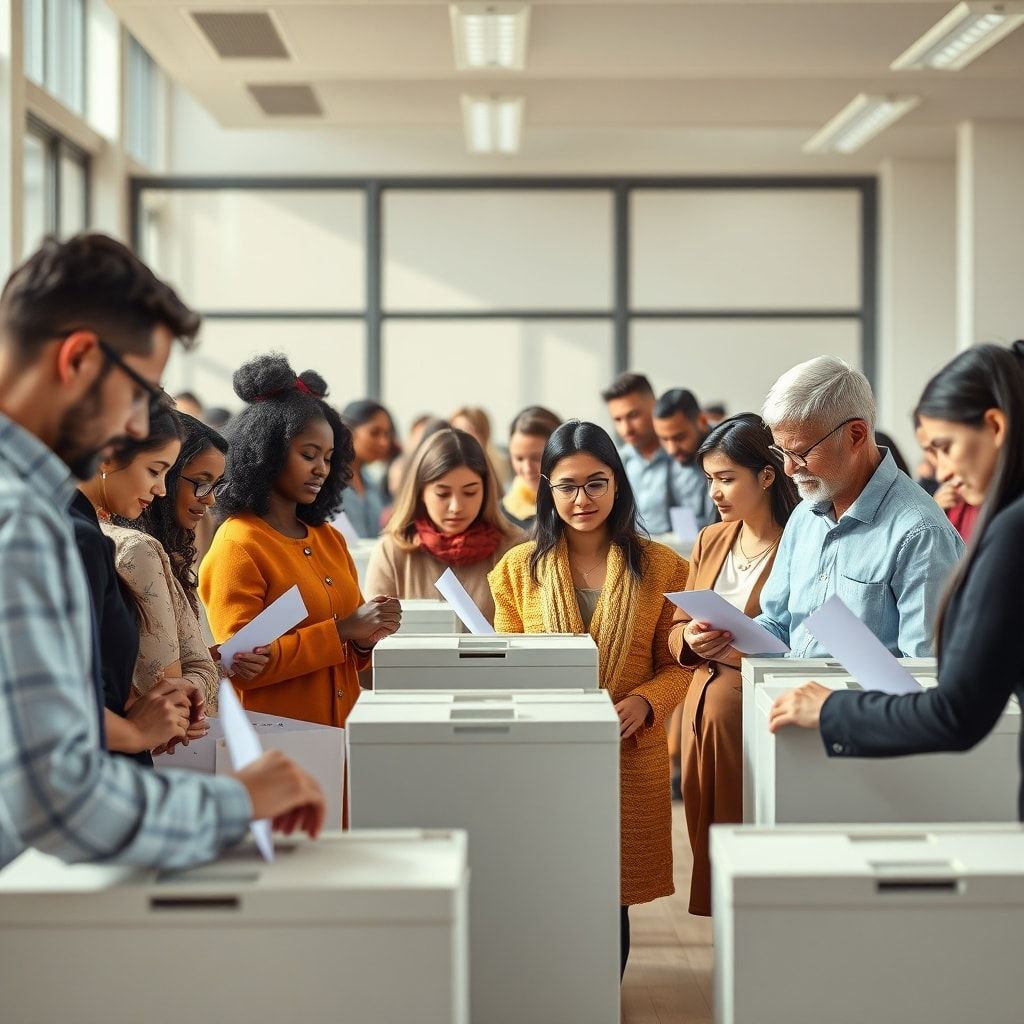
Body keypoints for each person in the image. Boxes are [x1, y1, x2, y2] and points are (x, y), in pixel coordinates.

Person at [0, 234, 325, 870]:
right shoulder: (22, 521)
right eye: (139, 390)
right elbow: (60, 801)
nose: (134, 425)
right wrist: (236, 802)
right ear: (79, 359)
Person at [769, 342, 1024, 821]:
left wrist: (832, 711)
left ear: (995, 427)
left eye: (944, 448)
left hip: (879, 740)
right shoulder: (806, 515)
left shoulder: (965, 529)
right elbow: (781, 622)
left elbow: (950, 702)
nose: (941, 473)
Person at [488, 421, 691, 978]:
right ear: (545, 489)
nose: (583, 499)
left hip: (625, 751)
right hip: (543, 753)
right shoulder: (516, 571)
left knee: (611, 895)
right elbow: (507, 667)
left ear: (618, 485)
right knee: (548, 888)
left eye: (597, 483)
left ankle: (603, 998)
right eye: (567, 486)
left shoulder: (663, 567)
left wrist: (647, 703)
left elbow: (679, 665)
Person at [690, 356, 963, 666]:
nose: (790, 469)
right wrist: (727, 638)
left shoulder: (920, 533)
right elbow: (780, 625)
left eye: (801, 452)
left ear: (856, 435)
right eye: (782, 452)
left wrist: (830, 701)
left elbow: (925, 671)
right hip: (787, 700)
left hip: (856, 712)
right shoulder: (805, 515)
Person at [201, 353, 402, 728]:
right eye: (308, 455)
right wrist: (343, 630)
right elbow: (241, 665)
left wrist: (368, 635)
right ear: (267, 453)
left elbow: (351, 644)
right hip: (274, 738)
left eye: (328, 457)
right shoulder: (238, 544)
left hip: (340, 731)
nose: (321, 469)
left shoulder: (329, 539)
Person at [667, 414, 799, 916]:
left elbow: (799, 635)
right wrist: (692, 638)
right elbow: (677, 626)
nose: (715, 493)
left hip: (752, 708)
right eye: (710, 481)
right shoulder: (711, 539)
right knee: (704, 823)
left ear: (766, 476)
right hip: (702, 706)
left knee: (744, 826)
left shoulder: (797, 543)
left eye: (726, 479)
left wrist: (741, 646)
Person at [77, 400, 207, 765]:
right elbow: (56, 696)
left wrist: (141, 707)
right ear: (107, 457)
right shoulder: (81, 537)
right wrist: (136, 729)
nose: (162, 489)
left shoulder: (85, 533)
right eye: (155, 470)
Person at [132, 411, 269, 701]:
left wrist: (214, 661)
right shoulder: (140, 552)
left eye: (217, 484)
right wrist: (207, 669)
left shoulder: (171, 550)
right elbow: (162, 686)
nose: (210, 498)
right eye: (201, 481)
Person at [366, 428, 523, 624]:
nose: (456, 507)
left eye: (470, 492)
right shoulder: (392, 551)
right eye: (442, 494)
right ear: (421, 492)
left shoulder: (516, 549)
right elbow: (374, 640)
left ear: (486, 491)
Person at [602, 371, 683, 535]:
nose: (626, 429)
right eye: (617, 420)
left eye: (633, 415)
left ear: (655, 406)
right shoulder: (615, 462)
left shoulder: (684, 458)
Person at [652, 387, 719, 532]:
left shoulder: (731, 449)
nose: (671, 449)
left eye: (679, 437)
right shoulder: (671, 461)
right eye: (664, 439)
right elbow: (685, 533)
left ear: (701, 421)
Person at [501, 405, 562, 531]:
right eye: (519, 458)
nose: (527, 468)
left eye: (537, 458)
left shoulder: (582, 505)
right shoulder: (500, 516)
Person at [340, 399, 392, 537]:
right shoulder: (327, 480)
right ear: (349, 430)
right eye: (374, 433)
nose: (383, 442)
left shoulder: (371, 481)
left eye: (386, 434)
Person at [450, 405, 512, 488]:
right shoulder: (446, 468)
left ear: (483, 436)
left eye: (468, 430)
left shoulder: (497, 471)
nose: (460, 437)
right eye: (456, 430)